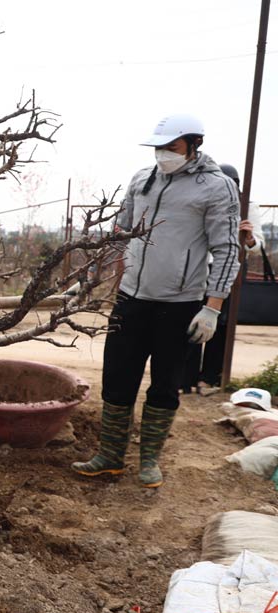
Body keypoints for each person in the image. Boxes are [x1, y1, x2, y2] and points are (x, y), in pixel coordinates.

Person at [72, 113, 240, 488]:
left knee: (165, 385)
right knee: (116, 379)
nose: (164, 154)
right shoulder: (142, 179)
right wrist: (87, 278)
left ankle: (149, 460)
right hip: (132, 298)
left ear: (194, 145)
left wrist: (212, 308)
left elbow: (227, 249)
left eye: (172, 148)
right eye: (159, 148)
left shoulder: (215, 187)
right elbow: (118, 232)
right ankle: (110, 456)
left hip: (180, 304)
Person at [182, 163, 266, 394]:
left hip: (228, 271)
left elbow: (257, 245)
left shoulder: (247, 206)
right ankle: (184, 379)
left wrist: (248, 239)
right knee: (190, 319)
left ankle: (208, 378)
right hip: (198, 269)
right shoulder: (203, 200)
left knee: (219, 325)